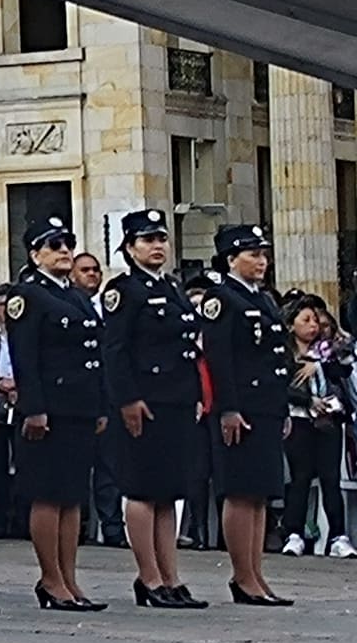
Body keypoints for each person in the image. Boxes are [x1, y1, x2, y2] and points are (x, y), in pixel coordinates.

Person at [101, 209, 207, 608]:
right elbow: (116, 350)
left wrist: (195, 394)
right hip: (145, 399)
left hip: (176, 398)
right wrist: (127, 398)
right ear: (130, 248)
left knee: (169, 491)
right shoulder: (124, 290)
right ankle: (148, 577)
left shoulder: (173, 288)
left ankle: (170, 576)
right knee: (143, 489)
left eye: (161, 238)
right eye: (147, 240)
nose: (157, 246)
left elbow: (187, 347)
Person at [3, 218, 108, 611]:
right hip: (49, 408)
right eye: (54, 245)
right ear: (35, 255)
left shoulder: (76, 296)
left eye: (68, 243)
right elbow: (25, 356)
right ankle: (50, 579)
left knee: (71, 496)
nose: (64, 250)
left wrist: (99, 405)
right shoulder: (28, 295)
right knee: (48, 494)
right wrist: (34, 408)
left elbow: (93, 355)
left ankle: (69, 577)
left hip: (78, 406)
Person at [195, 222, 294, 606]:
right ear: (231, 259)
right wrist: (228, 409)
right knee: (240, 490)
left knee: (260, 493)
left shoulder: (264, 299)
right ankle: (242, 575)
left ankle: (256, 572)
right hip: (241, 406)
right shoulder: (223, 298)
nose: (261, 261)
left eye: (264, 254)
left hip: (266, 404)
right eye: (253, 254)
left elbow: (275, 358)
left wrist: (282, 407)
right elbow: (220, 359)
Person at [289, 297, 350, 558]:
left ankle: (338, 535)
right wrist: (307, 400)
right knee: (300, 477)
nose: (313, 326)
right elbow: (281, 387)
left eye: (315, 320)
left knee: (330, 477)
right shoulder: (284, 353)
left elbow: (343, 370)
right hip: (299, 418)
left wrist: (320, 364)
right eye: (306, 320)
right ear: (291, 325)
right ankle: (294, 533)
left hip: (329, 420)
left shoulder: (328, 350)